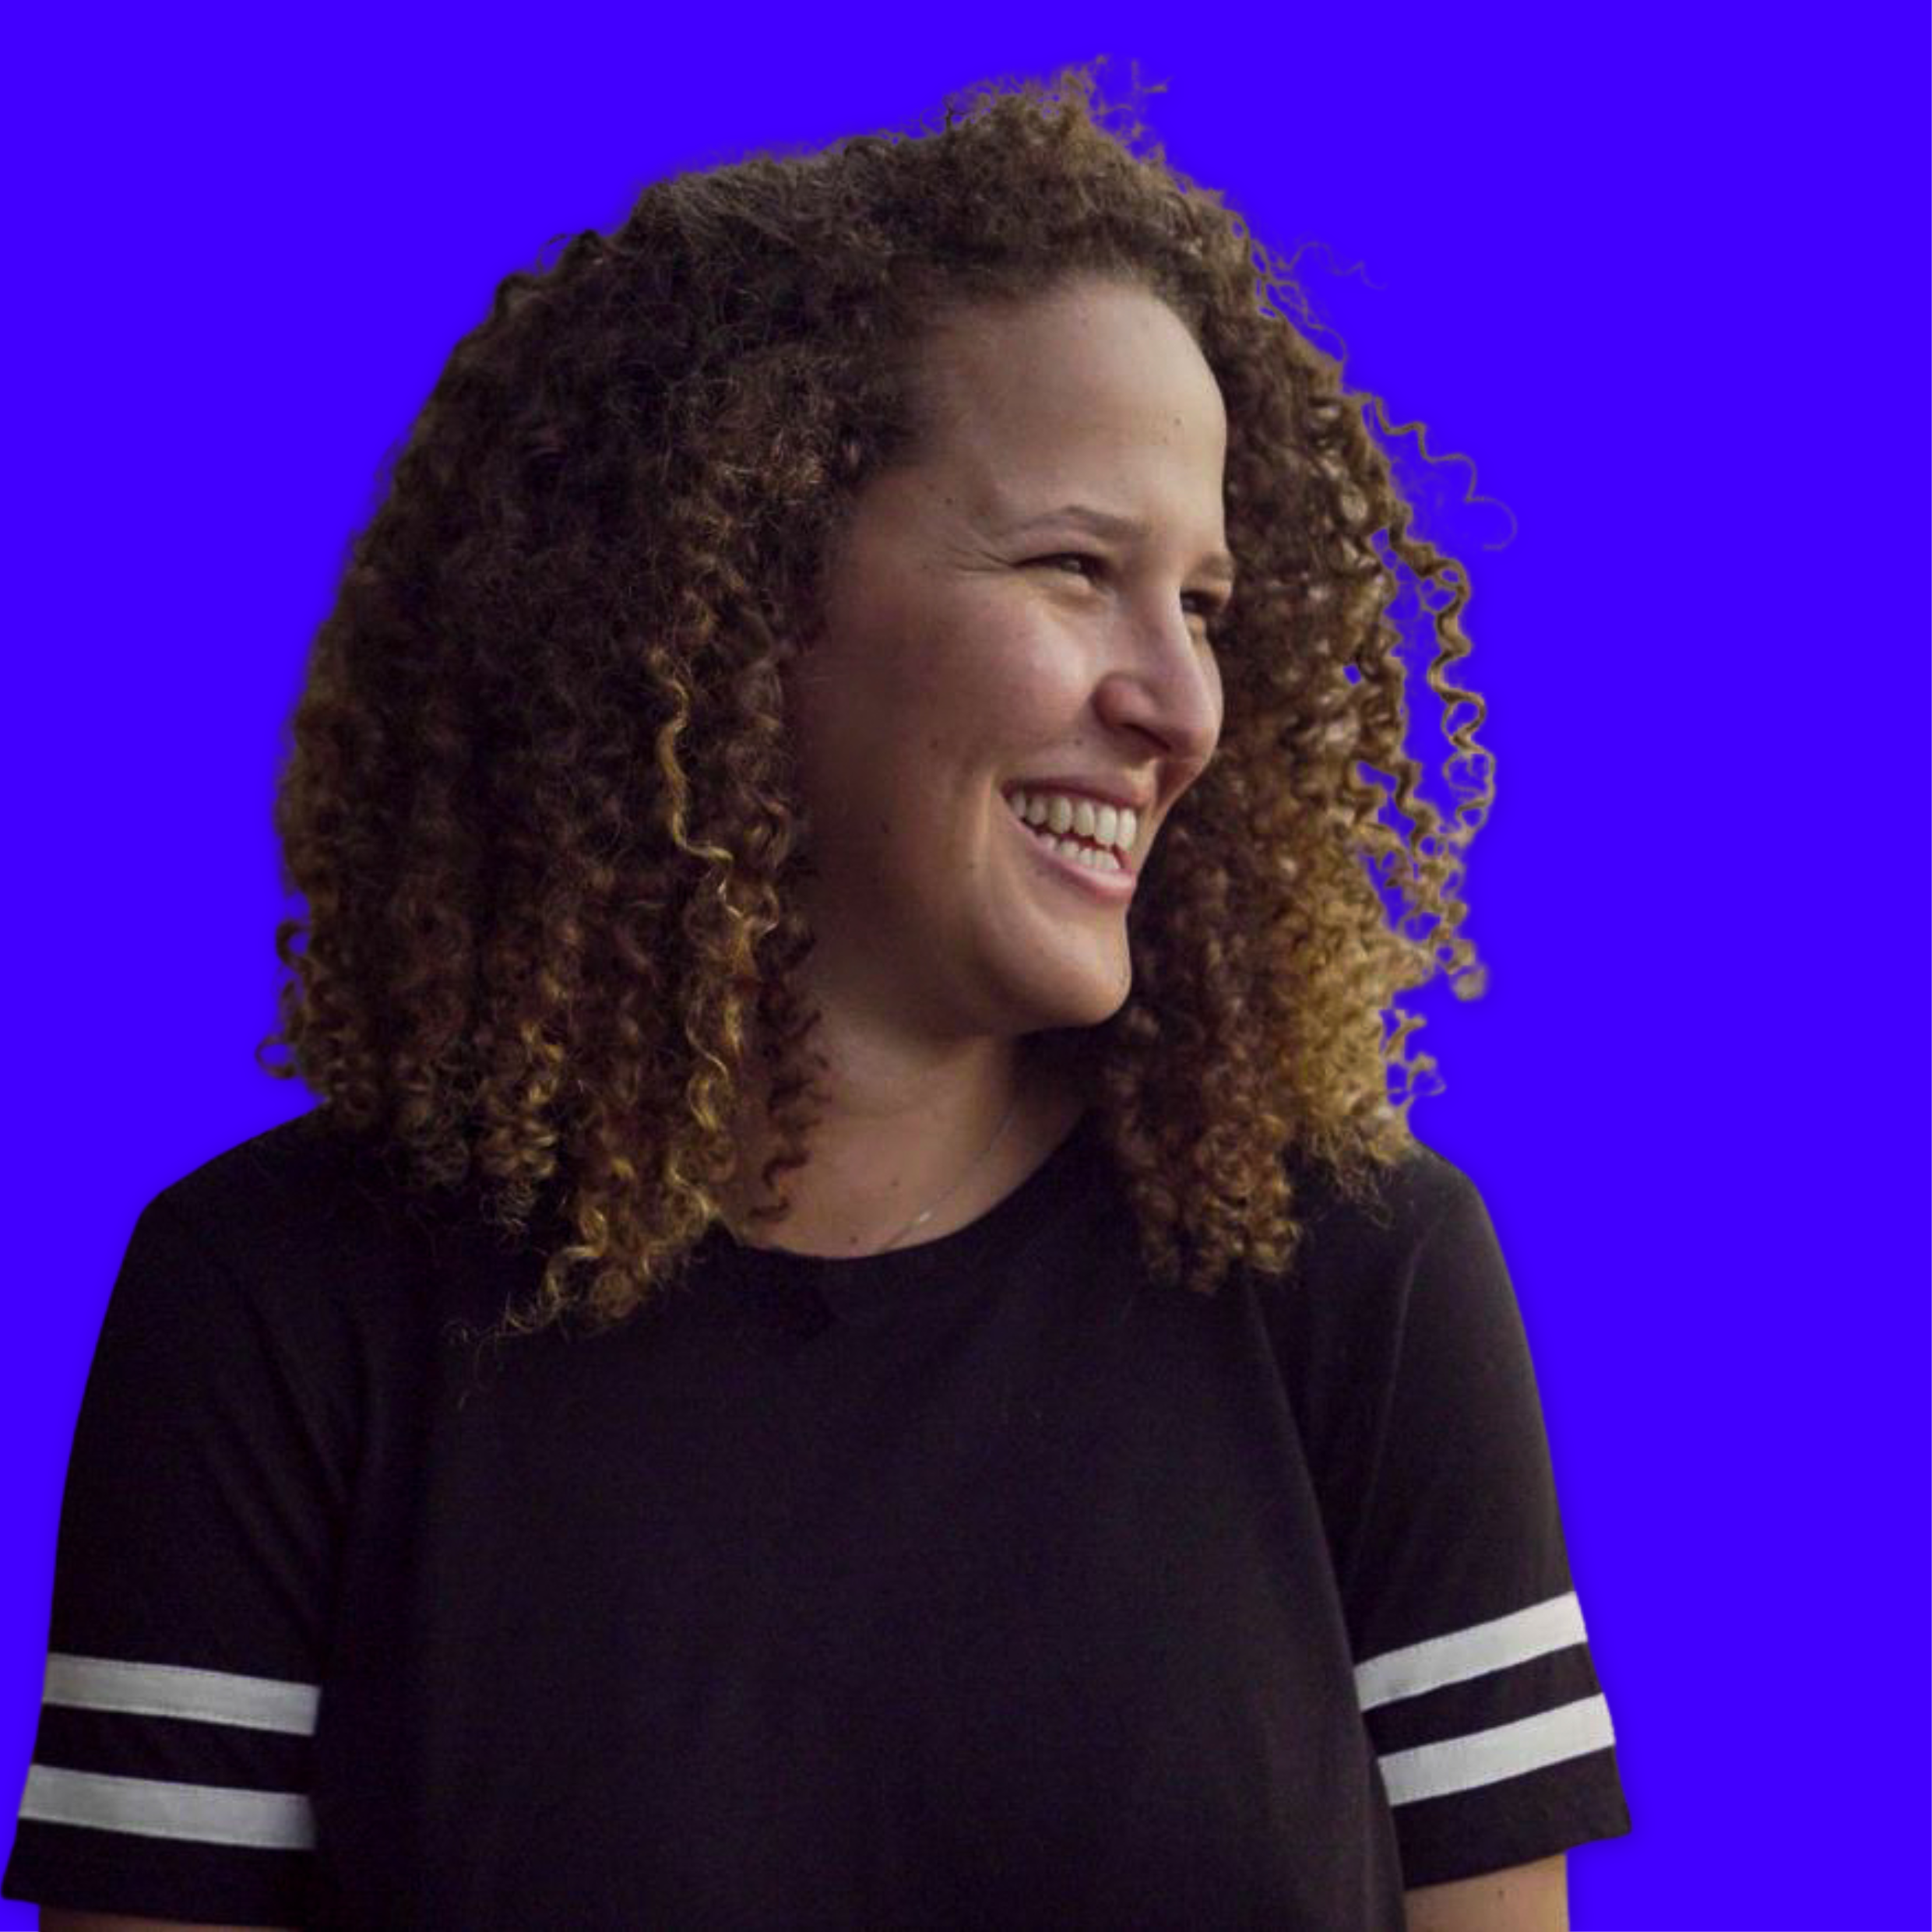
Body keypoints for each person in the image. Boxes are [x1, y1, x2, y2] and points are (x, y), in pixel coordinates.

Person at [4, 62, 1629, 1931]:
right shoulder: (279, 1310)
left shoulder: (1362, 1278)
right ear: (732, 598)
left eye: (1205, 606)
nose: (1180, 706)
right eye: (1077, 568)